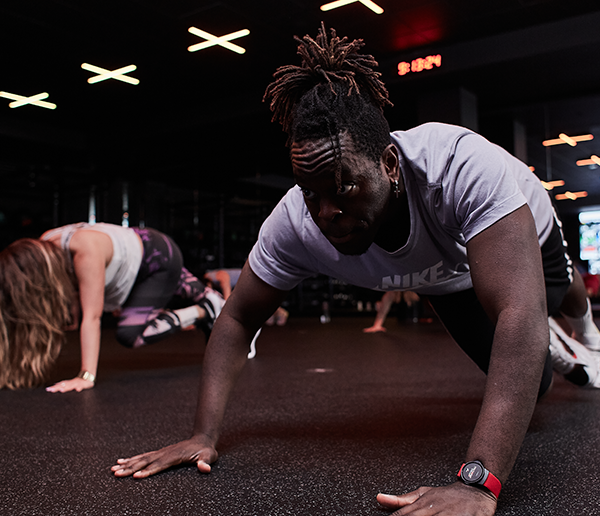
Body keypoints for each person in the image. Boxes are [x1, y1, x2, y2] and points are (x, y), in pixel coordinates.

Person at [111, 25, 600, 516]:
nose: (325, 212)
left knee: (554, 300)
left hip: (525, 229)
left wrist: (478, 483)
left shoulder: (458, 165)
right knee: (534, 387)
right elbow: (237, 318)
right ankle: (546, 338)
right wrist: (203, 433)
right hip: (445, 276)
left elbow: (517, 311)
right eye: (311, 192)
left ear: (389, 163)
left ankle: (585, 331)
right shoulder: (294, 223)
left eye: (343, 188)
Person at [0, 222, 224, 392]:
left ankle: (202, 311)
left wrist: (85, 376)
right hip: (141, 248)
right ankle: (208, 299)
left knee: (130, 334)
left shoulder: (83, 251)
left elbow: (92, 317)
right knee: (139, 310)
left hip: (157, 258)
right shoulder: (45, 246)